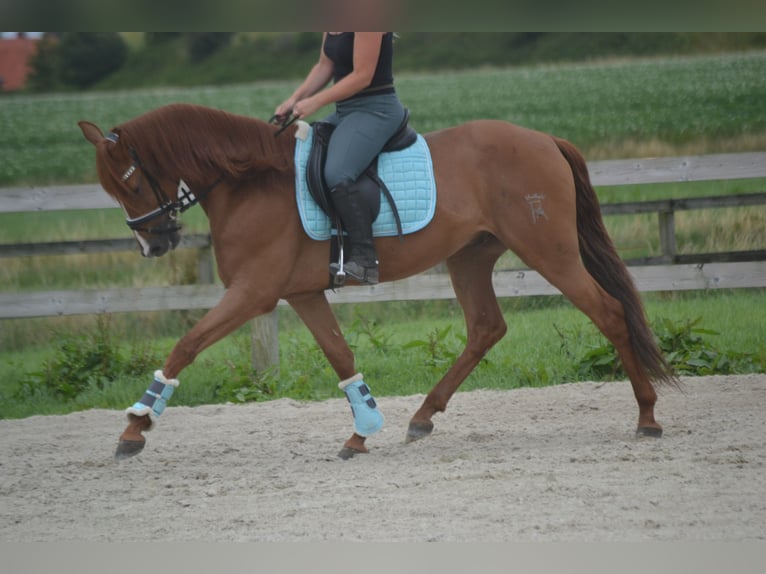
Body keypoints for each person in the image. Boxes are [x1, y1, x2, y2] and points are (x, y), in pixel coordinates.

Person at [274, 32, 406, 285]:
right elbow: (325, 65)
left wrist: (316, 102)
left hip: (376, 110)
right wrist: (294, 99)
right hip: (346, 111)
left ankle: (366, 260)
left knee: (337, 173)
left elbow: (362, 76)